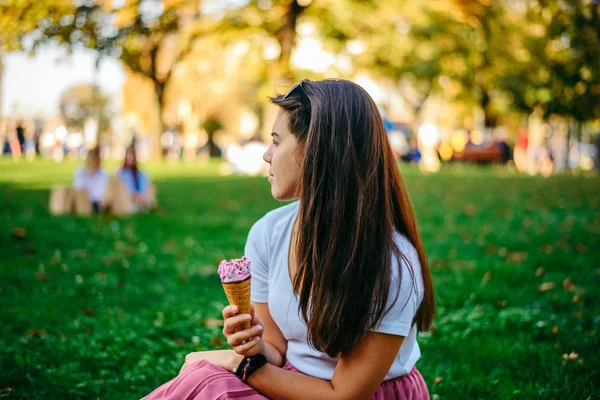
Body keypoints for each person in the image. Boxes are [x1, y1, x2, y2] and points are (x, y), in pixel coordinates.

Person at [142, 79, 435, 400]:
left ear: (318, 151)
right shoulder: (269, 233)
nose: (267, 155)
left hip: (364, 395)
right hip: (288, 379)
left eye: (277, 142)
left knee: (208, 379)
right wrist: (253, 346)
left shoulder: (391, 265)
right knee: (205, 380)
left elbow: (343, 396)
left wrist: (238, 365)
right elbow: (277, 349)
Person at [115, 145, 155, 210]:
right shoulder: (120, 173)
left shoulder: (140, 173)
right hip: (128, 198)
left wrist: (141, 197)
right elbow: (121, 191)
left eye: (132, 156)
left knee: (150, 200)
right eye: (128, 156)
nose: (130, 158)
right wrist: (133, 197)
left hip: (140, 197)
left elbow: (146, 187)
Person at [73, 147, 109, 214]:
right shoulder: (80, 173)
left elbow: (104, 191)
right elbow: (79, 189)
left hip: (98, 202)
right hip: (84, 201)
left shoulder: (103, 174)